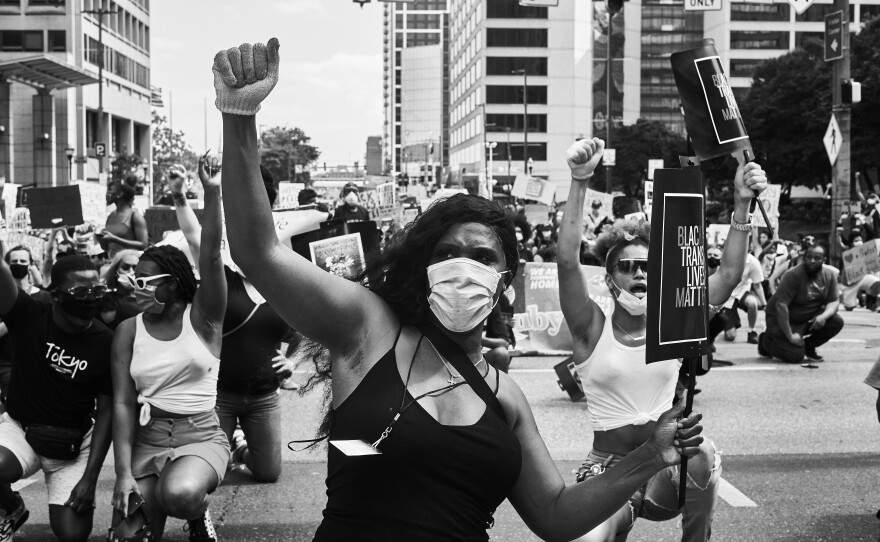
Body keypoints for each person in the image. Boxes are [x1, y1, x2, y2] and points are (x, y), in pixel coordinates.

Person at [213, 38, 705, 542]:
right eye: (446, 254)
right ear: (422, 268)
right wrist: (238, 118)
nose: (462, 267)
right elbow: (259, 252)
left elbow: (557, 517)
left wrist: (649, 457)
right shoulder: (368, 328)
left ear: (503, 283)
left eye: (482, 257)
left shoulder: (507, 399)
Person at [558, 138, 767, 542]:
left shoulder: (676, 322)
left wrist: (742, 205)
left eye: (648, 266)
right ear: (608, 277)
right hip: (610, 470)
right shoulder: (590, 328)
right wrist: (579, 181)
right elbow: (567, 261)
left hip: (669, 468)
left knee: (704, 451)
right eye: (627, 266)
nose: (639, 274)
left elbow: (726, 277)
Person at [110, 154, 227, 542]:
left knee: (178, 493)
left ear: (173, 283)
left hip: (201, 436)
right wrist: (123, 474)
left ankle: (198, 514)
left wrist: (211, 193)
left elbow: (208, 254)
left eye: (145, 281)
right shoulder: (128, 330)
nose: (135, 287)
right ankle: (153, 493)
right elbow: (124, 404)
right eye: (134, 280)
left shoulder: (204, 317)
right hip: (148, 438)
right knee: (127, 536)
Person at [169, 159, 294, 484]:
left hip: (264, 397)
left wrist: (287, 360)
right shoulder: (220, 277)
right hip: (219, 395)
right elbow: (195, 237)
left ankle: (238, 448)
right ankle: (225, 450)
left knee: (268, 472)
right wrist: (180, 195)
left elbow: (303, 327)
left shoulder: (286, 281)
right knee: (212, 475)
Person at [0, 250, 114, 542]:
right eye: (79, 290)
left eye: (97, 289)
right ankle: (9, 507)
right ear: (57, 294)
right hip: (21, 432)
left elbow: (106, 413)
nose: (89, 297)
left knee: (72, 534)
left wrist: (89, 480)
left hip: (72, 447)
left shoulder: (106, 342)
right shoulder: (28, 313)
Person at [758, 243, 844, 365]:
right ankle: (765, 342)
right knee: (795, 356)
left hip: (805, 320)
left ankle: (808, 346)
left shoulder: (829, 275)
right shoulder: (792, 275)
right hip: (780, 320)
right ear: (805, 258)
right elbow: (781, 306)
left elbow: (834, 301)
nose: (812, 261)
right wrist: (790, 336)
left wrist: (823, 316)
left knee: (836, 321)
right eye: (809, 257)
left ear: (824, 260)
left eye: (817, 258)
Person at [719, 251, 767, 344]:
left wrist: (765, 304)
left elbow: (757, 285)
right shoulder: (724, 258)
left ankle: (751, 331)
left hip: (742, 292)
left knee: (753, 303)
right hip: (727, 296)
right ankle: (731, 324)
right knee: (730, 336)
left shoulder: (753, 261)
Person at [98, 177, 148, 259]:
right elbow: (106, 247)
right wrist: (102, 241)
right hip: (112, 263)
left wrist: (114, 239)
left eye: (110, 190)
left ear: (120, 194)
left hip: (129, 266)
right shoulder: (111, 216)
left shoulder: (135, 217)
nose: (107, 194)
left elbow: (143, 244)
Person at [98, 249, 142, 330]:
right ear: (115, 271)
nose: (131, 272)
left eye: (135, 268)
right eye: (125, 267)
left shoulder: (148, 299)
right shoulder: (108, 300)